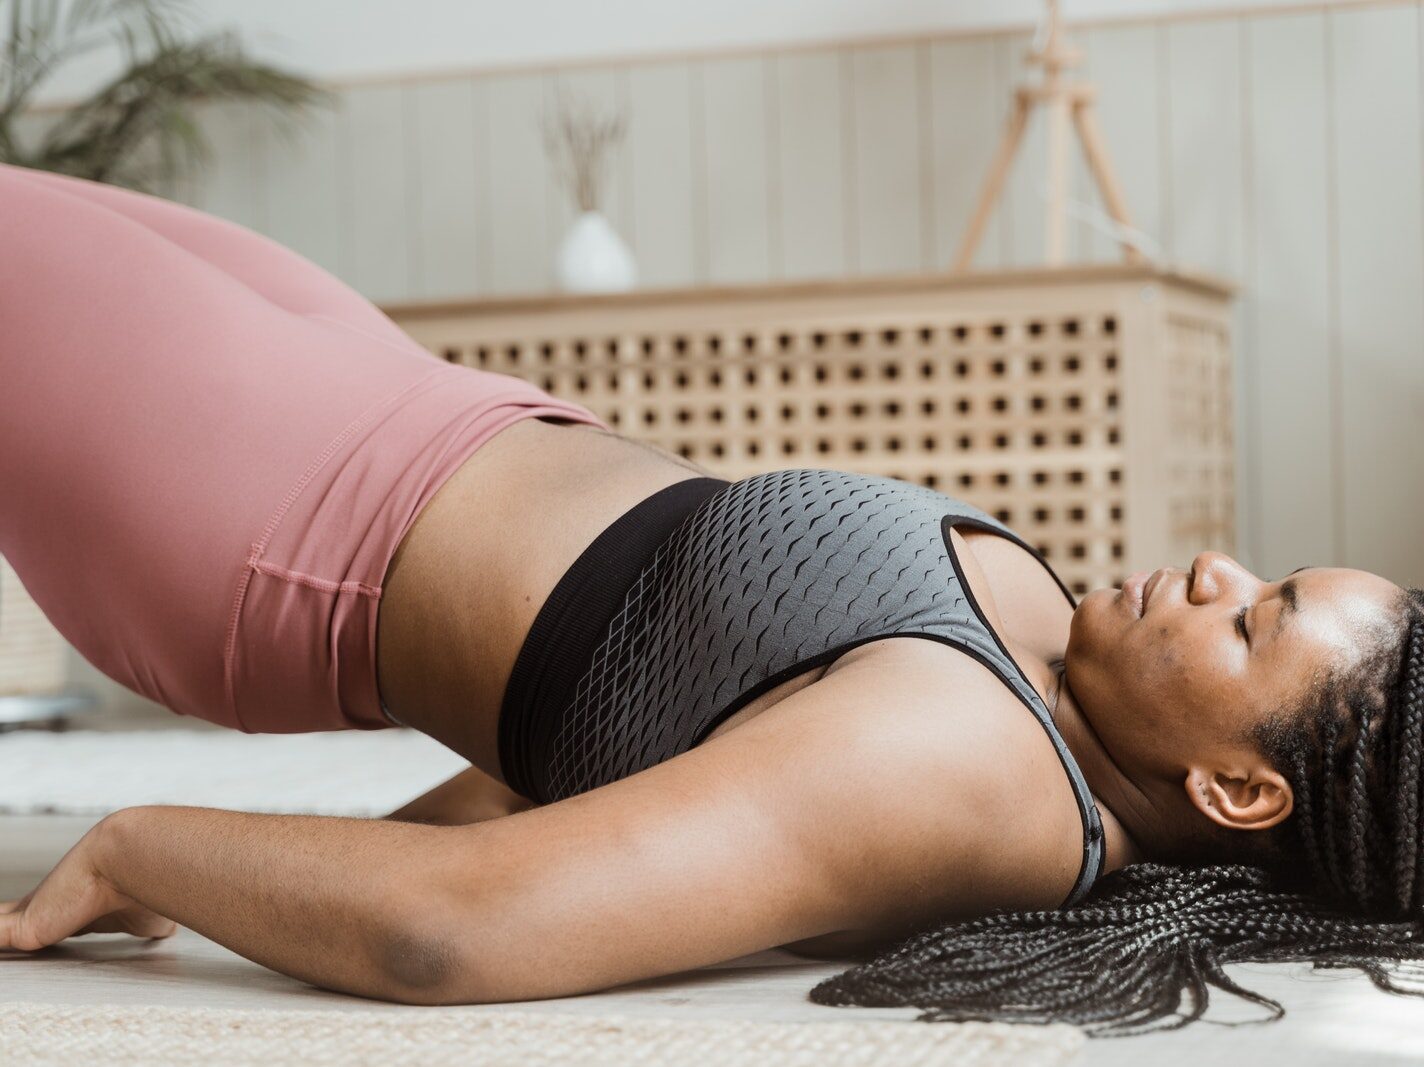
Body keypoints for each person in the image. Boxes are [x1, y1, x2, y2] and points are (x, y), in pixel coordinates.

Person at [1, 161, 1422, 1035]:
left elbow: (450, 929)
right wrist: (289, 880)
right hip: (381, 403)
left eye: (1255, 620)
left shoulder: (971, 769)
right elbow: (584, 782)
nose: (1218, 572)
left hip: (280, 508)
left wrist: (145, 847)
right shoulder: (1054, 707)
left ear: (1240, 793)